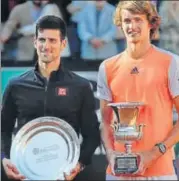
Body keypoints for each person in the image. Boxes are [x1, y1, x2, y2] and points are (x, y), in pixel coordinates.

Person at [1, 15, 100, 181]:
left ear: (63, 44)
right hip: (25, 172)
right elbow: (3, 128)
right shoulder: (16, 84)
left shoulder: (80, 86)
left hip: (63, 172)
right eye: (42, 40)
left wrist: (79, 164)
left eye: (53, 40)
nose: (46, 46)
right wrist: (4, 158)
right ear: (35, 42)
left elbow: (92, 134)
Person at [97, 1, 179, 180]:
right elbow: (105, 120)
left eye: (138, 20)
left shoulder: (171, 63)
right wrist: (110, 154)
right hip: (117, 172)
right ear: (120, 24)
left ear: (151, 23)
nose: (131, 26)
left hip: (160, 171)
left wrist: (155, 153)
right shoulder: (107, 67)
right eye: (126, 21)